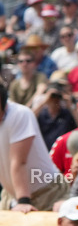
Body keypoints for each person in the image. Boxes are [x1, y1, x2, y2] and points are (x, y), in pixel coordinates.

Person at [0, 83, 69, 213]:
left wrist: (23, 201)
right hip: (11, 196)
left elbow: (19, 161)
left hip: (47, 194)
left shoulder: (20, 114)